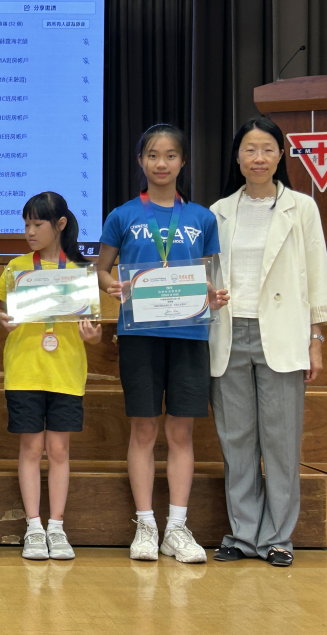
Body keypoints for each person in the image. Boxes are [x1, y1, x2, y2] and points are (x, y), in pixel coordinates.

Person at [209, 117, 327, 567]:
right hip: (230, 333)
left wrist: (315, 338)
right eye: (250, 149)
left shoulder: (301, 207)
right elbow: (207, 273)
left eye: (267, 149)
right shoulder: (218, 211)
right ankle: (244, 534)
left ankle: (278, 537)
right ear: (237, 157)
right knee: (236, 440)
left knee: (281, 442)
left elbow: (317, 273)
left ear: (281, 155)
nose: (258, 158)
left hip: (281, 333)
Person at [97, 123, 229, 564]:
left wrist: (213, 296)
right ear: (141, 161)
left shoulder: (202, 218)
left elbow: (210, 276)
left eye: (171, 155)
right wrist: (112, 287)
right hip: (139, 334)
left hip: (190, 334)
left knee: (180, 432)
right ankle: (145, 525)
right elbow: (102, 271)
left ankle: (176, 527)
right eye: (153, 155)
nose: (161, 163)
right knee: (143, 429)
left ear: (183, 162)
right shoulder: (122, 216)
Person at [0, 192, 101, 561]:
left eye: (37, 224)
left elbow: (94, 329)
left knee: (59, 450)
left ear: (60, 224)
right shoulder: (17, 266)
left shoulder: (80, 270)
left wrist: (93, 336)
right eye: (26, 224)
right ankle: (34, 527)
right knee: (31, 449)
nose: (30, 231)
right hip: (24, 371)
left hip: (65, 372)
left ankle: (57, 526)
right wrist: (2, 319)